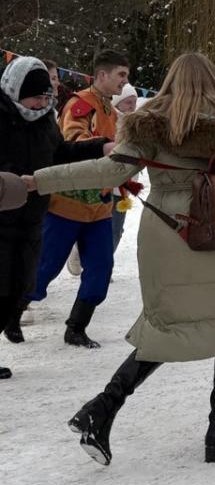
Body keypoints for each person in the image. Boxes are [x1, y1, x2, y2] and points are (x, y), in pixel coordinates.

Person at [24, 52, 215, 465]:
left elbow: (107, 172)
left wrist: (39, 180)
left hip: (168, 234)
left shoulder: (148, 123)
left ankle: (100, 412)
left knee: (166, 327)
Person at [0, 58, 110, 367]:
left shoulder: (45, 118)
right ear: (15, 90)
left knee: (20, 289)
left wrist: (100, 147)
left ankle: (63, 326)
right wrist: (12, 180)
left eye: (46, 96)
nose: (42, 102)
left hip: (32, 219)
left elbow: (61, 153)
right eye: (36, 96)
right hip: (3, 220)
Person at [28, 49, 129, 349]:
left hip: (99, 205)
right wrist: (109, 147)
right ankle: (12, 312)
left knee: (100, 268)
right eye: (121, 75)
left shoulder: (111, 111)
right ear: (102, 75)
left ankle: (76, 327)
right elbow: (72, 142)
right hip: (67, 204)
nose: (125, 81)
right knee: (45, 266)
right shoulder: (81, 104)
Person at [109, 84, 141, 254]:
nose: (132, 107)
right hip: (106, 186)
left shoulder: (137, 125)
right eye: (128, 102)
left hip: (124, 188)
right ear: (117, 103)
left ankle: (103, 263)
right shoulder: (109, 121)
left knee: (116, 231)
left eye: (134, 102)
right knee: (106, 231)